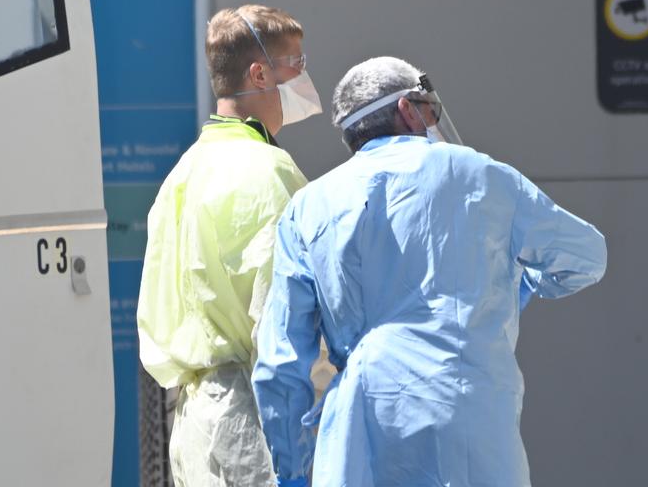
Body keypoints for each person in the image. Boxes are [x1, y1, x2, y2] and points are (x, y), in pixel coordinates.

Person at [252, 56, 607, 487]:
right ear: (407, 109)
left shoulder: (307, 207)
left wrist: (291, 471)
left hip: (358, 429)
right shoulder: (479, 173)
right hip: (467, 419)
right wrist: (512, 285)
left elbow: (280, 363)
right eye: (430, 109)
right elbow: (586, 256)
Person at [138, 4, 324, 487]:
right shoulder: (268, 171)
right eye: (297, 65)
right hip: (255, 426)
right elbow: (285, 321)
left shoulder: (180, 175)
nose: (304, 78)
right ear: (259, 73)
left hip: (194, 429)